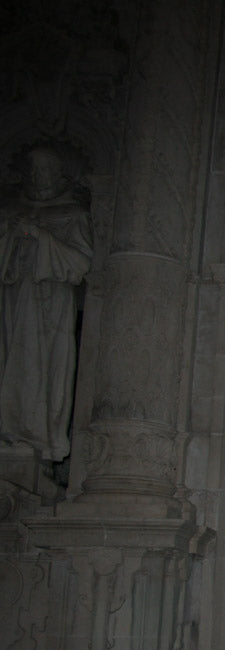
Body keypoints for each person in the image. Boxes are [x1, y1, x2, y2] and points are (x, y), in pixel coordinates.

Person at [0, 145, 93, 463]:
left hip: (50, 305)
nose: (39, 176)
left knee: (40, 365)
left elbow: (80, 263)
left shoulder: (73, 214)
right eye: (35, 170)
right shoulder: (11, 211)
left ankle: (37, 435)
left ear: (60, 174)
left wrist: (40, 236)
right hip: (11, 296)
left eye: (46, 170)